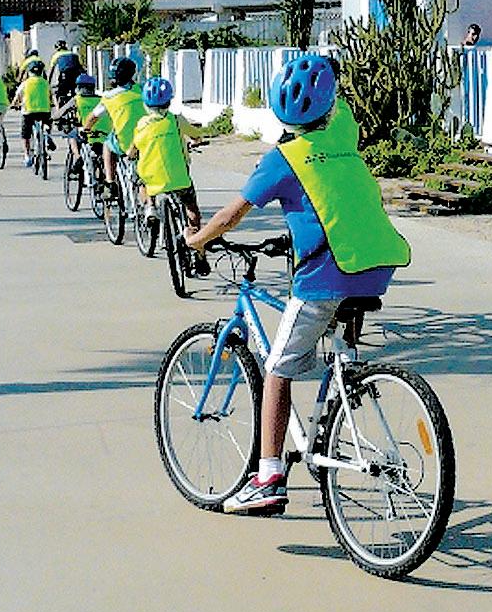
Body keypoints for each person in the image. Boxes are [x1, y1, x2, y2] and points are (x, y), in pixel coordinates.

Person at [186, 54, 411, 515]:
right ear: (331, 105)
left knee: (277, 369)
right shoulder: (343, 134)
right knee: (337, 344)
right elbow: (336, 119)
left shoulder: (281, 160)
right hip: (376, 265)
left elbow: (230, 216)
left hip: (324, 275)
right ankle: (342, 393)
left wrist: (197, 240)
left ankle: (268, 477)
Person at [126, 76, 206, 270]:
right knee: (192, 209)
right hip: (179, 179)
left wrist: (130, 153)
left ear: (145, 104)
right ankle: (199, 252)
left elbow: (133, 150)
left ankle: (150, 206)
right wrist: (196, 140)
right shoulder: (177, 120)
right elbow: (196, 135)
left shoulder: (141, 124)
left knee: (140, 178)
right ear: (169, 101)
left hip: (152, 180)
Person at [84, 58, 147, 190]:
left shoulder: (109, 96)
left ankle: (110, 182)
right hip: (146, 138)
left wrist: (85, 129)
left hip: (125, 143)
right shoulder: (141, 90)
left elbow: (92, 118)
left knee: (107, 144)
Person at [13, 59, 53, 167]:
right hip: (44, 111)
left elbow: (17, 97)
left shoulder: (25, 83)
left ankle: (27, 156)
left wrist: (14, 104)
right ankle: (47, 136)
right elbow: (51, 95)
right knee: (47, 123)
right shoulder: (45, 83)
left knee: (25, 135)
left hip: (29, 111)